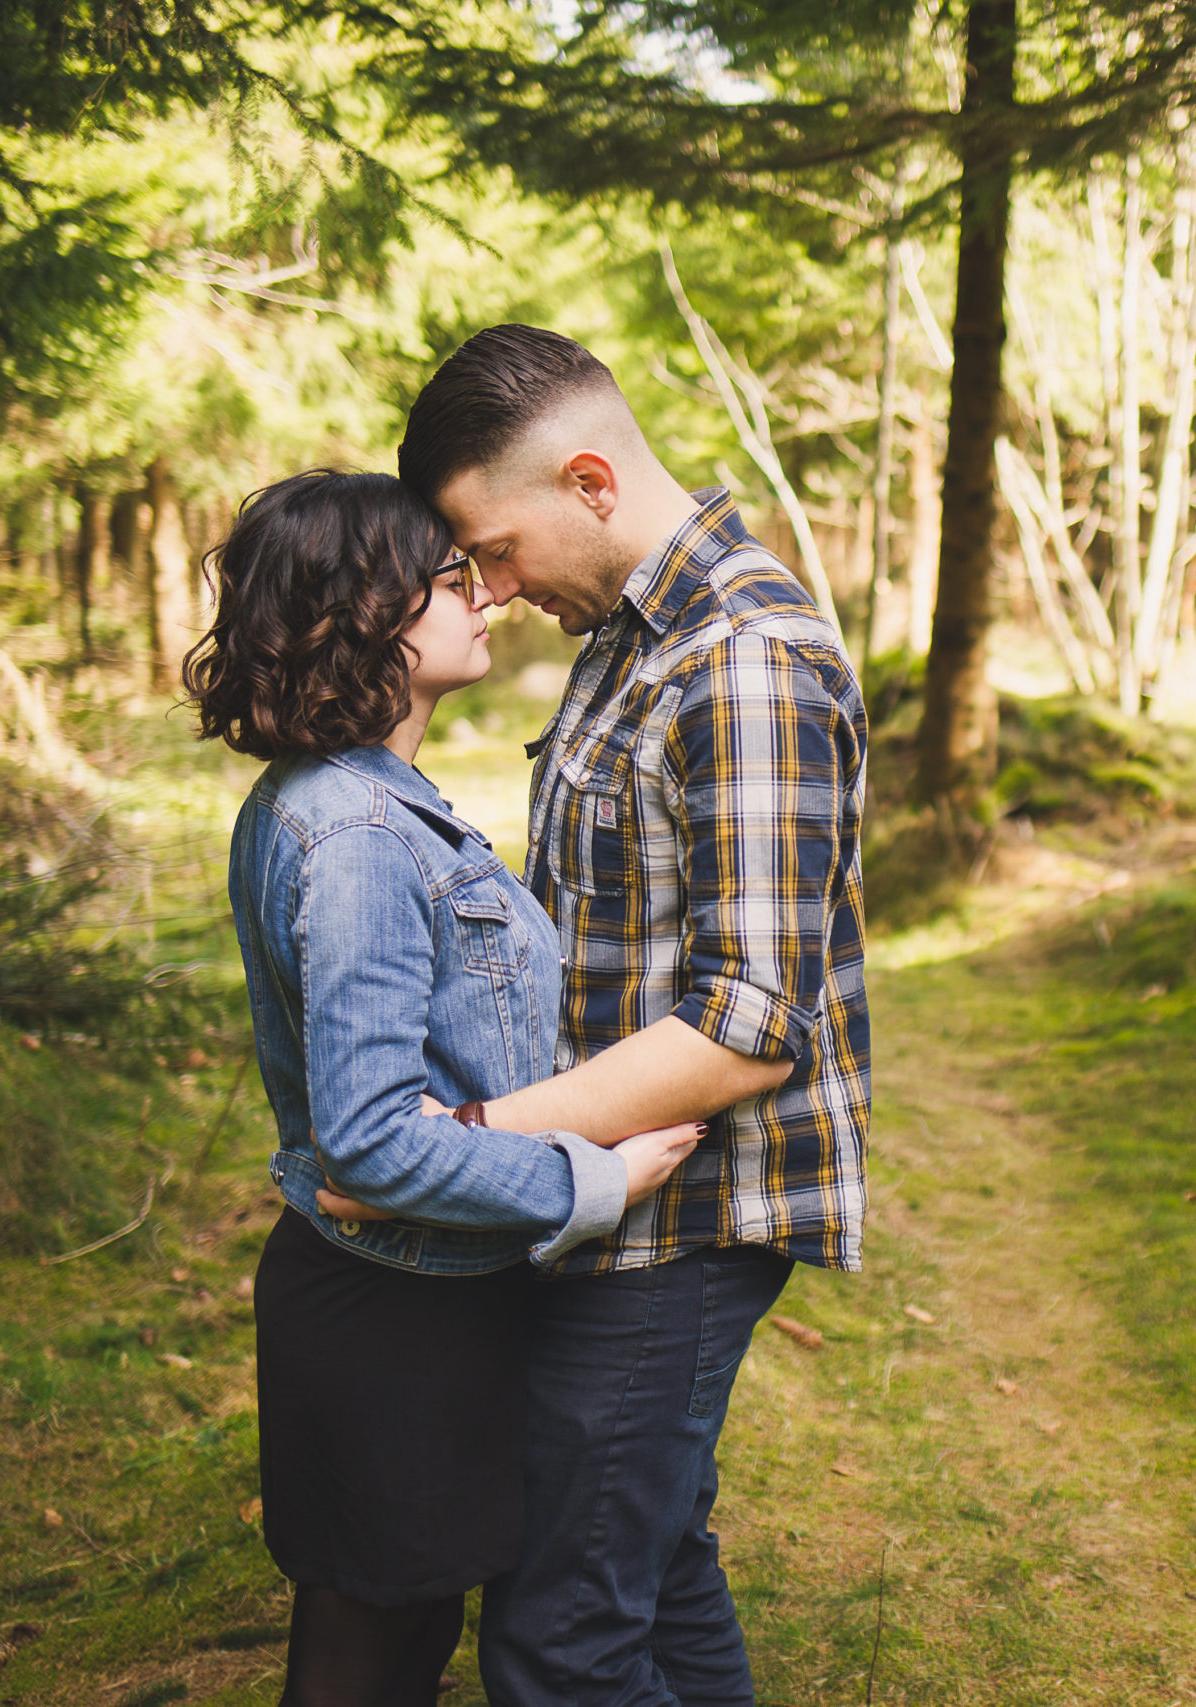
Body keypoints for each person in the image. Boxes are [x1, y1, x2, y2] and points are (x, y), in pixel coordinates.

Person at [323, 326, 872, 1707]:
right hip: (605, 1194)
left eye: (492, 549)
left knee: (560, 1634)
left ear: (588, 479)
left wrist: (469, 1140)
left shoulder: (743, 658)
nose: (489, 590)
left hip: (682, 1219)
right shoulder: (640, 635)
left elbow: (750, 1021)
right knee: (654, 1560)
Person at [184, 469, 703, 1707]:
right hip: (391, 1318)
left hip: (405, 1305)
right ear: (369, 612)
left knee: (391, 1637)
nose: (486, 597)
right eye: (450, 578)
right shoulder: (360, 836)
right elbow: (369, 1145)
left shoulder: (347, 806)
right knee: (371, 1656)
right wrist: (594, 1177)